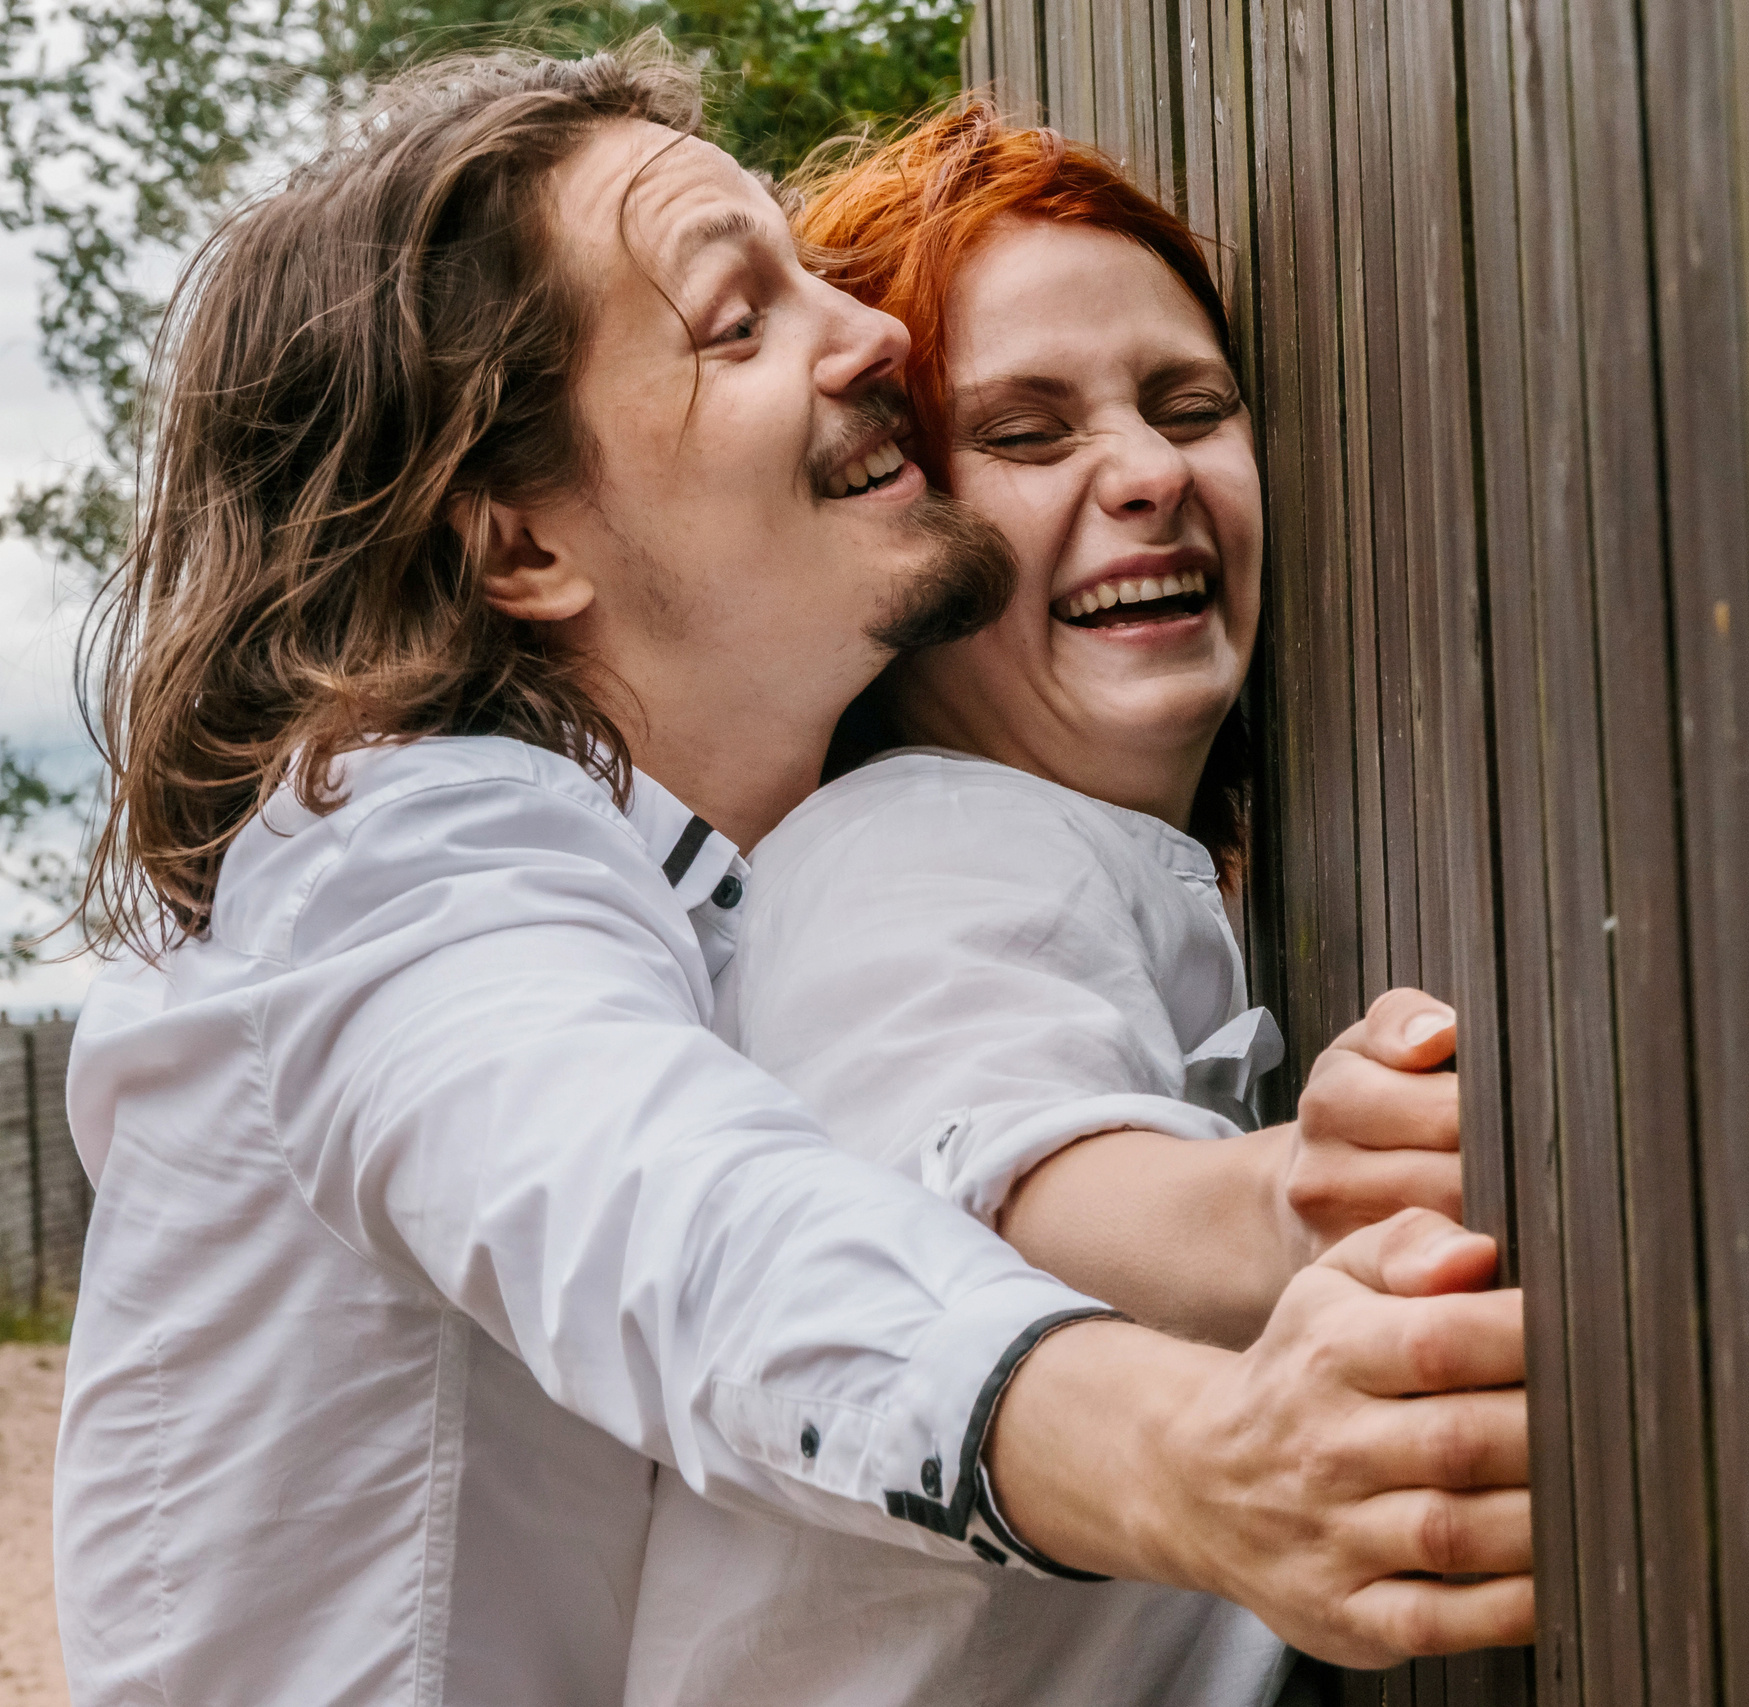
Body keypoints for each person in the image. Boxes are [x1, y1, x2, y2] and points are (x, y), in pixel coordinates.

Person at [52, 41, 1530, 1706]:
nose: (877, 337)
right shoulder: (397, 858)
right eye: (738, 320)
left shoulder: (748, 880)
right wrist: (1200, 1457)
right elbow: (679, 1233)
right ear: (525, 544)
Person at [624, 105, 1465, 1707]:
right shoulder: (915, 842)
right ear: (892, 526)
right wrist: (1287, 1201)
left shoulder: (1067, 844)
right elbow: (980, 1177)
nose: (1146, 473)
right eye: (1025, 434)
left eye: (1187, 405)